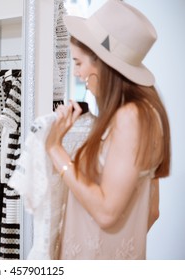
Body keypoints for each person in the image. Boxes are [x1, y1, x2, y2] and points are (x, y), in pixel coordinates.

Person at [45, 0, 171, 259]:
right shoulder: (144, 114)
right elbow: (152, 211)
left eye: (79, 63)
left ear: (102, 63)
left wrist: (56, 150)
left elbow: (106, 211)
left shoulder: (130, 118)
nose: (77, 74)